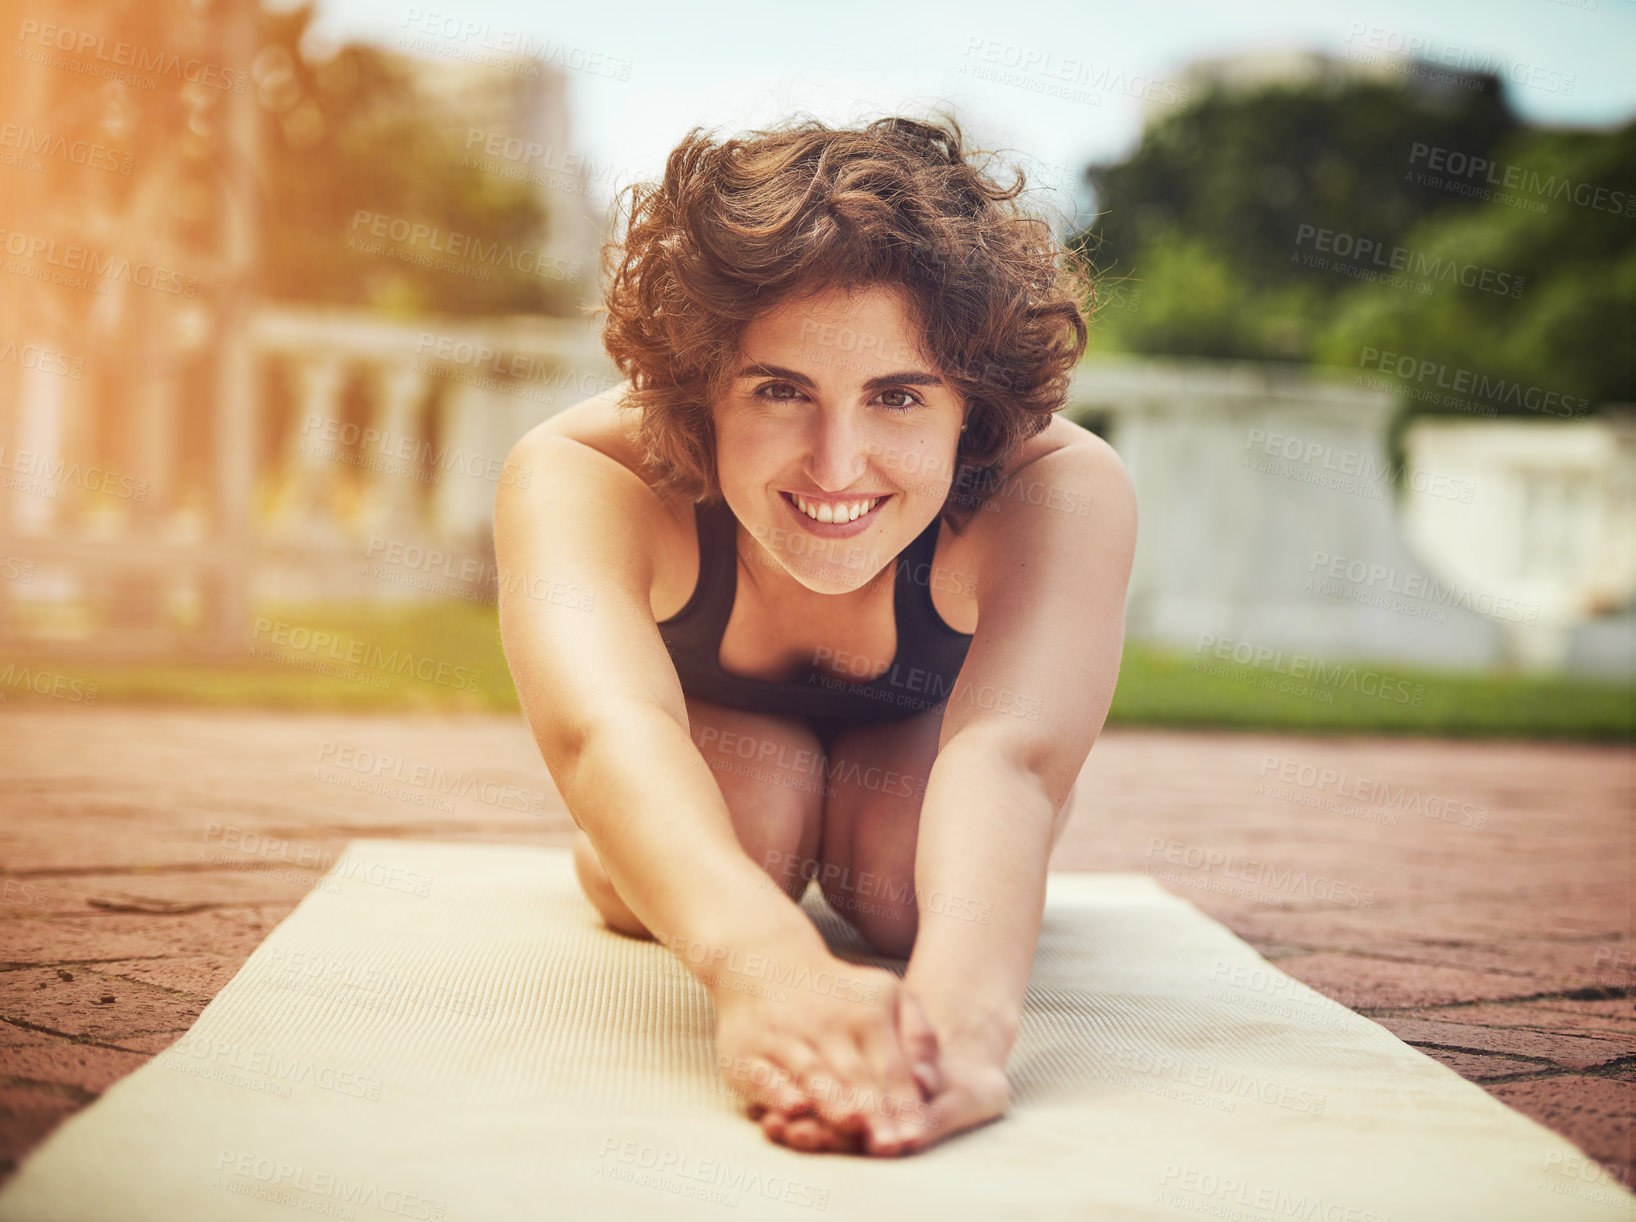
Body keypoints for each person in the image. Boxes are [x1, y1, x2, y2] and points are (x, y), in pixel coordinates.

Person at [494, 114, 1137, 1157]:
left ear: (970, 406)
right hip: (716, 742)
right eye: (781, 390)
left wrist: (959, 1036)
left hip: (915, 742)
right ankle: (749, 843)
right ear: (699, 383)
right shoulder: (588, 470)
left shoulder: (1057, 485)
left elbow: (1011, 759)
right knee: (737, 836)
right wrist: (764, 973)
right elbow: (604, 733)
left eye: (896, 396)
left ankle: (859, 848)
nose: (838, 466)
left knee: (904, 895)